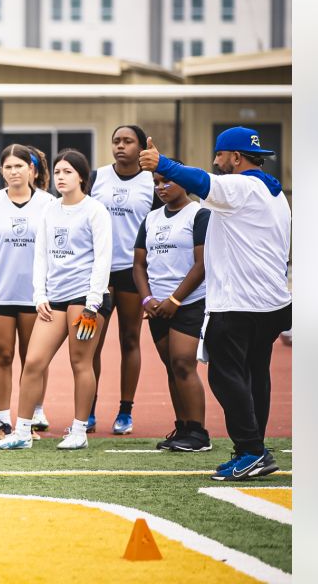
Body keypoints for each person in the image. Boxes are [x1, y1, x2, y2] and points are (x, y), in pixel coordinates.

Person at [141, 127, 291, 481]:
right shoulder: (275, 192)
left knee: (225, 378)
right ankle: (253, 448)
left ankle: (252, 450)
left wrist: (161, 162)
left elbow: (198, 180)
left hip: (240, 303)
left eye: (220, 155)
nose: (215, 161)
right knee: (255, 376)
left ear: (236, 158)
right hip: (271, 302)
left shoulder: (240, 187)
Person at [0, 149, 112, 451]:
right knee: (33, 362)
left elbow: (102, 260)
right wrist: (40, 295)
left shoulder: (95, 210)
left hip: (85, 297)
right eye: (57, 172)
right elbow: (41, 256)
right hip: (54, 297)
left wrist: (92, 302)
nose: (60, 177)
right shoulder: (50, 209)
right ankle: (21, 430)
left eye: (68, 172)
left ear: (82, 176)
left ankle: (80, 430)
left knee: (80, 362)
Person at [0, 145, 56, 441]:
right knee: (3, 356)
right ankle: (2, 420)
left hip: (36, 294)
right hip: (0, 292)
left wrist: (47, 290)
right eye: (8, 167)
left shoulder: (48, 203)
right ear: (1, 171)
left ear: (32, 170)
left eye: (19, 166)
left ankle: (29, 419)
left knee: (32, 358)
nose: (13, 172)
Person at [88, 125, 163, 435]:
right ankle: (87, 410)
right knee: (89, 343)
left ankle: (125, 411)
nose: (120, 146)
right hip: (99, 275)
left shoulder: (151, 182)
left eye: (127, 141)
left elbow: (160, 228)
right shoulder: (97, 177)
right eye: (116, 140)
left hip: (134, 273)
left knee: (130, 340)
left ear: (140, 147)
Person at [133, 164, 212, 452]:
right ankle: (182, 428)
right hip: (158, 307)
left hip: (188, 303)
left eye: (167, 180)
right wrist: (147, 299)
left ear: (183, 182)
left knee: (183, 363)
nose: (161, 187)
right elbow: (139, 264)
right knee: (171, 367)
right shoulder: (151, 218)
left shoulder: (199, 215)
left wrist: (175, 300)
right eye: (156, 182)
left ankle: (198, 433)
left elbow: (202, 264)